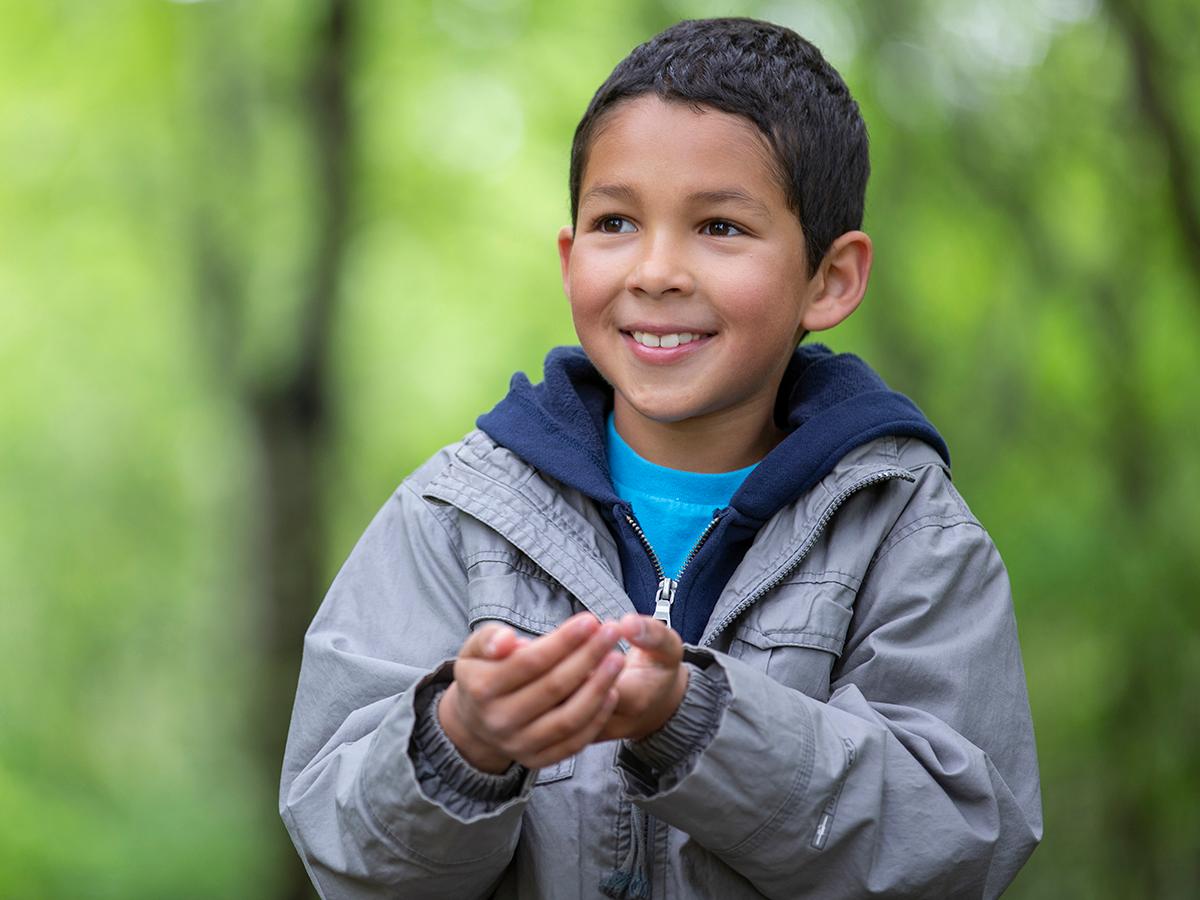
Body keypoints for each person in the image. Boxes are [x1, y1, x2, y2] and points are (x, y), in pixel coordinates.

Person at [279, 17, 1042, 899]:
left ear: (830, 280)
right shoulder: (455, 518)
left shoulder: (903, 529)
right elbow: (345, 850)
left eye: (719, 226)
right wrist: (462, 741)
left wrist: (695, 723)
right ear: (570, 261)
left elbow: (956, 840)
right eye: (616, 222)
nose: (656, 270)